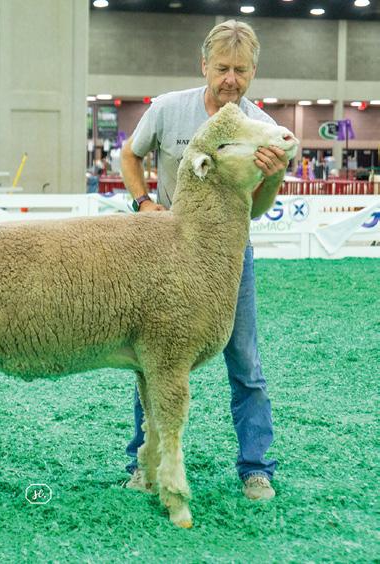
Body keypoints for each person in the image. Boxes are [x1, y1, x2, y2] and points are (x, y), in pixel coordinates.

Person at [120, 20, 289, 501]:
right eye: (222, 68)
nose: (230, 79)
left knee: (246, 362)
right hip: (165, 254)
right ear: (204, 67)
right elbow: (130, 156)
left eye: (241, 70)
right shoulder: (168, 109)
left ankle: (256, 468)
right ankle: (143, 463)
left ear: (253, 72)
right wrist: (144, 203)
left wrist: (274, 177)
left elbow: (256, 208)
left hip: (229, 257)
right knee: (154, 360)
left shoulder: (260, 128)